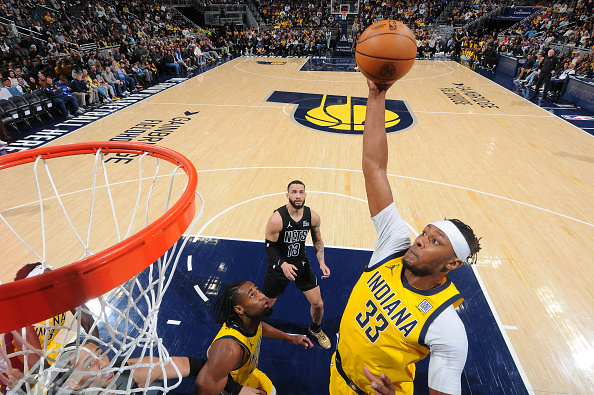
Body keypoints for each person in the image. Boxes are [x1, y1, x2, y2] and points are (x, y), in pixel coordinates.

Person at [328, 79, 481, 395]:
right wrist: (377, 95)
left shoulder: (446, 327)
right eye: (425, 232)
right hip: (337, 373)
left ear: (452, 264)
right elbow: (374, 168)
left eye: (435, 241)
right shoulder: (395, 243)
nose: (421, 239)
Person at [196, 280, 313, 395]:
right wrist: (238, 391)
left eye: (257, 290)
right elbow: (204, 387)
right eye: (252, 295)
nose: (262, 296)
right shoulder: (228, 349)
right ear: (239, 309)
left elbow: (260, 327)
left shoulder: (249, 322)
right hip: (233, 389)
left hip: (249, 374)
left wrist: (290, 338)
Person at [262, 180, 331, 349]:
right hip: (278, 268)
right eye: (294, 192)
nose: (298, 196)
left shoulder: (312, 216)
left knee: (318, 304)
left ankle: (315, 329)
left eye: (301, 192)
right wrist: (283, 264)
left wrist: (321, 262)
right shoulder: (277, 219)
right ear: (288, 195)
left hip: (301, 265)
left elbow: (317, 240)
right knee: (266, 305)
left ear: (305, 195)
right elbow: (269, 247)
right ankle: (253, 328)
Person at [43, 342, 251, 395]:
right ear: (73, 383)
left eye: (100, 353)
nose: (104, 363)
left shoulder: (131, 370)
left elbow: (193, 365)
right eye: (90, 365)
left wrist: (236, 389)